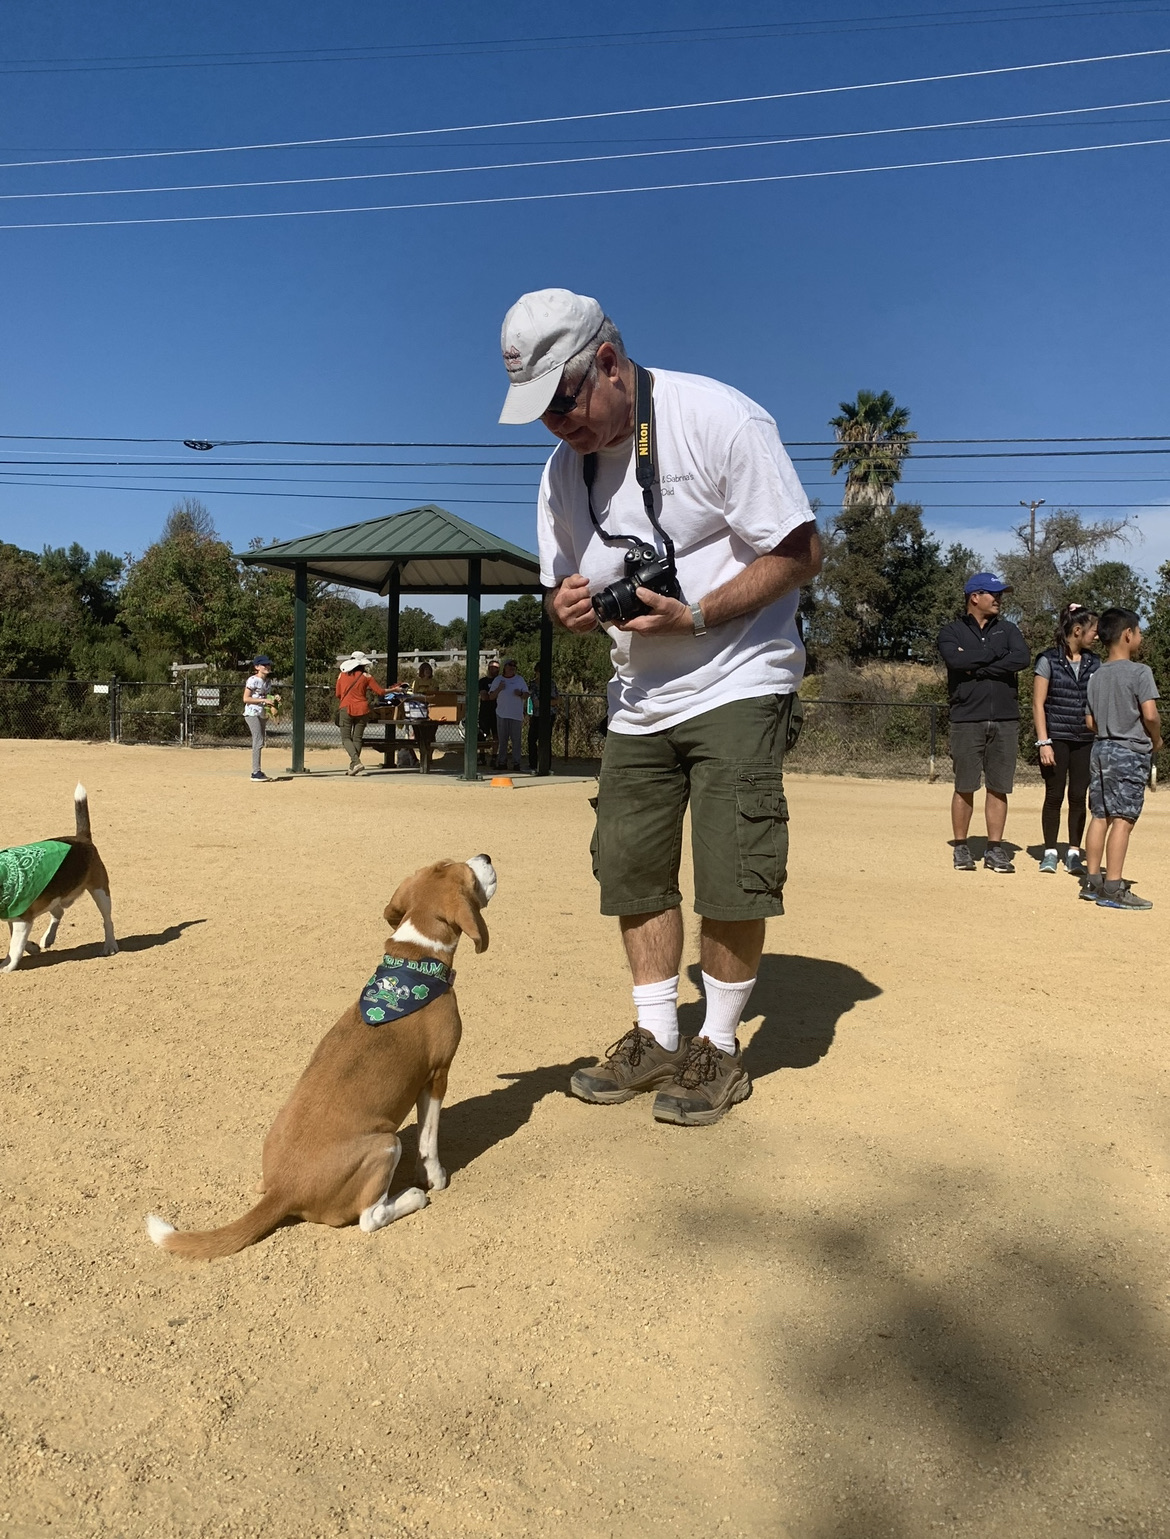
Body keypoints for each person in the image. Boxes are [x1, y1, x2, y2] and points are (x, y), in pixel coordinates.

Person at [498, 287, 821, 1126]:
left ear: (607, 361)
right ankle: (655, 1035)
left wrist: (701, 612)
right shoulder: (560, 472)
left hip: (739, 671)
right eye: (538, 413)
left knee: (731, 865)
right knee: (630, 863)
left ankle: (716, 1044)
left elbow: (799, 549)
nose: (555, 426)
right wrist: (562, 606)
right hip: (639, 692)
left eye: (561, 402)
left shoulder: (717, 418)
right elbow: (558, 584)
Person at [938, 574, 1030, 873]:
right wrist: (993, 655)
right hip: (966, 718)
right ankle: (961, 848)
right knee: (965, 785)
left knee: (998, 787)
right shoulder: (951, 632)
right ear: (974, 596)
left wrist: (976, 666)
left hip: (1006, 718)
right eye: (993, 593)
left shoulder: (1009, 629)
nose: (999, 599)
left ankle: (994, 849)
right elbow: (955, 661)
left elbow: (1022, 659)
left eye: (1000, 594)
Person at [1082, 607, 1162, 909]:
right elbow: (1151, 715)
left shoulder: (1095, 676)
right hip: (1129, 751)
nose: (1140, 636)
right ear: (1128, 635)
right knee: (1123, 820)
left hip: (1100, 749)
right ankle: (1114, 887)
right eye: (1139, 631)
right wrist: (1156, 739)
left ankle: (1093, 882)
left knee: (1100, 815)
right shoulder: (1140, 672)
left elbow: (1089, 722)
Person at [1032, 603, 1100, 874]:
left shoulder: (1095, 662)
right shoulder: (1047, 660)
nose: (1096, 635)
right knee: (1054, 795)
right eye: (1093, 630)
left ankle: (1073, 852)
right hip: (1056, 738)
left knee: (1078, 795)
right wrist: (1044, 742)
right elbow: (1038, 705)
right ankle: (1049, 852)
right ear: (1077, 630)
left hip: (1085, 739)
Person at [335, 652, 393, 775]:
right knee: (357, 738)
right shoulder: (367, 676)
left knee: (346, 738)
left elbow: (338, 694)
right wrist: (395, 689)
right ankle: (353, 766)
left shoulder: (342, 675)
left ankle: (356, 762)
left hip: (346, 708)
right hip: (363, 709)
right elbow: (380, 691)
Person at [242, 656, 279, 782]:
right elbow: (246, 699)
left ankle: (257, 770)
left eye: (268, 664)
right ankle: (255, 772)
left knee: (261, 741)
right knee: (258, 741)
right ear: (257, 667)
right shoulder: (253, 680)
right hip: (252, 713)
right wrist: (263, 700)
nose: (267, 667)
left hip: (262, 713)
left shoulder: (268, 682)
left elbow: (266, 697)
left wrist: (275, 699)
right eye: (264, 665)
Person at [489, 659, 528, 771]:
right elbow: (491, 696)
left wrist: (520, 694)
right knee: (503, 740)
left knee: (516, 740)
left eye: (514, 666)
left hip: (516, 715)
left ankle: (516, 763)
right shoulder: (498, 680)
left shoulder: (519, 680)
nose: (512, 668)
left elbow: (526, 694)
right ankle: (502, 762)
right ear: (505, 667)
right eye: (510, 665)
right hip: (502, 714)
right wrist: (499, 689)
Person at [526, 661, 561, 771]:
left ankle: (546, 765)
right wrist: (549, 701)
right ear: (536, 672)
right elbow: (536, 703)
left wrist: (545, 702)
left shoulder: (552, 684)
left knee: (546, 740)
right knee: (532, 739)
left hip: (550, 715)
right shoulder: (532, 684)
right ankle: (533, 764)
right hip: (536, 715)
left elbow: (558, 700)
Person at [478, 658, 501, 765]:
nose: (494, 670)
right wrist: (495, 694)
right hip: (485, 711)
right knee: (482, 734)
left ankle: (494, 756)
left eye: (496, 668)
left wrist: (492, 695)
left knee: (496, 735)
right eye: (492, 667)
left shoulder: (501, 681)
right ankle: (481, 756)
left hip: (498, 711)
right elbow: (484, 697)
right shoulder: (483, 681)